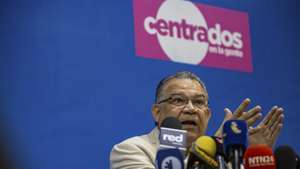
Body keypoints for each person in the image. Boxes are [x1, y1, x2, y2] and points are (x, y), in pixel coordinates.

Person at [110, 71, 284, 169]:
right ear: (156, 112)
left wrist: (256, 161)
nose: (191, 109)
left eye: (199, 102)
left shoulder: (231, 160)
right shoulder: (131, 150)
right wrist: (214, 145)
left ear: (208, 114)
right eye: (178, 100)